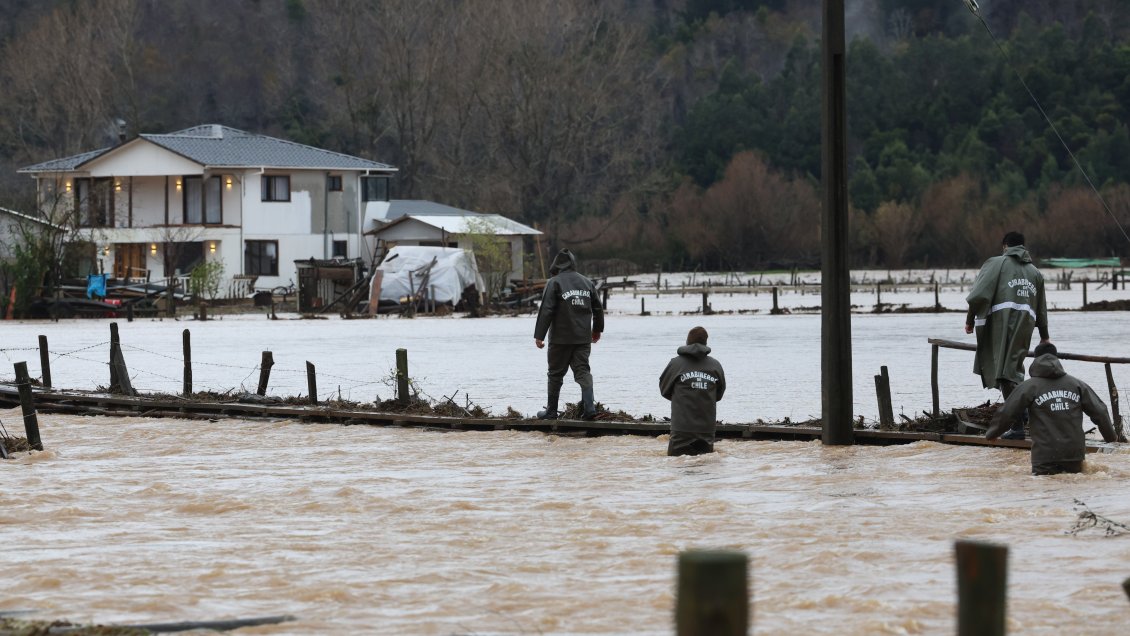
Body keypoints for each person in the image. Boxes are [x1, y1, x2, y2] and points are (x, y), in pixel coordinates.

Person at [965, 230, 1050, 440]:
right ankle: (1027, 415)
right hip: (1025, 327)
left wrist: (969, 320)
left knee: (1005, 374)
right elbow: (1041, 309)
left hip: (1002, 326)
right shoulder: (1035, 273)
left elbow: (978, 295)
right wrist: (1045, 336)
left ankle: (1019, 425)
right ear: (1023, 246)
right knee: (1014, 372)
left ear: (1005, 246)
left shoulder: (996, 263)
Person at [986, 343, 1118, 475]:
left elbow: (1008, 412)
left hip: (1044, 455)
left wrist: (992, 433)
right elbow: (1100, 411)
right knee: (1073, 488)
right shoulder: (1077, 385)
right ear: (1056, 358)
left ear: (1036, 359)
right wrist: (1110, 437)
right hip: (1074, 454)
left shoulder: (1028, 387)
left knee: (1047, 491)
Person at [533, 249, 604, 420]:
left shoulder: (554, 282)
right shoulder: (587, 283)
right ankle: (589, 408)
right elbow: (598, 309)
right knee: (583, 371)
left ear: (556, 265)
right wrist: (597, 330)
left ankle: (551, 411)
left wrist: (539, 335)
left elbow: (547, 310)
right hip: (582, 338)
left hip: (560, 339)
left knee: (555, 374)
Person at [659, 326, 726, 456]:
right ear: (706, 343)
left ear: (687, 342)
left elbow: (664, 390)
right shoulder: (715, 366)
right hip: (706, 430)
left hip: (681, 429)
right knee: (705, 466)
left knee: (677, 465)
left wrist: (681, 396)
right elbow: (719, 394)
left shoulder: (675, 364)